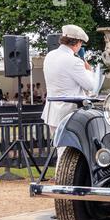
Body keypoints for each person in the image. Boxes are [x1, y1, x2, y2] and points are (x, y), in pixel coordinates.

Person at [41, 24, 95, 154]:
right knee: (68, 154)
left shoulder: (50, 56)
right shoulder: (74, 61)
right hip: (68, 113)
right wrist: (89, 71)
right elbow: (91, 86)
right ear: (77, 43)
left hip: (52, 112)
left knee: (61, 151)